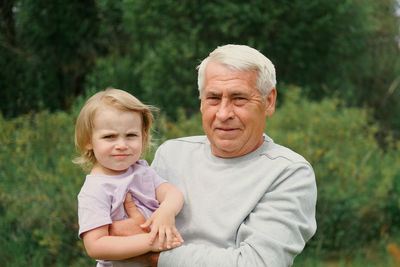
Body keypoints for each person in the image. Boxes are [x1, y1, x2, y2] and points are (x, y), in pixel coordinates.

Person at [111, 44, 317, 266]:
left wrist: (147, 253)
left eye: (239, 98)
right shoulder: (172, 154)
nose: (223, 113)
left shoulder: (289, 172)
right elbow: (118, 229)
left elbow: (256, 263)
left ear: (269, 101)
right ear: (201, 102)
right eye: (213, 98)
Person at [74, 88, 184, 267]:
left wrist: (166, 212)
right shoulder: (95, 189)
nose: (122, 145)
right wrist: (149, 241)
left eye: (131, 135)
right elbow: (96, 245)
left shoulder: (142, 171)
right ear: (88, 141)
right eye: (109, 137)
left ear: (144, 136)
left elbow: (173, 194)